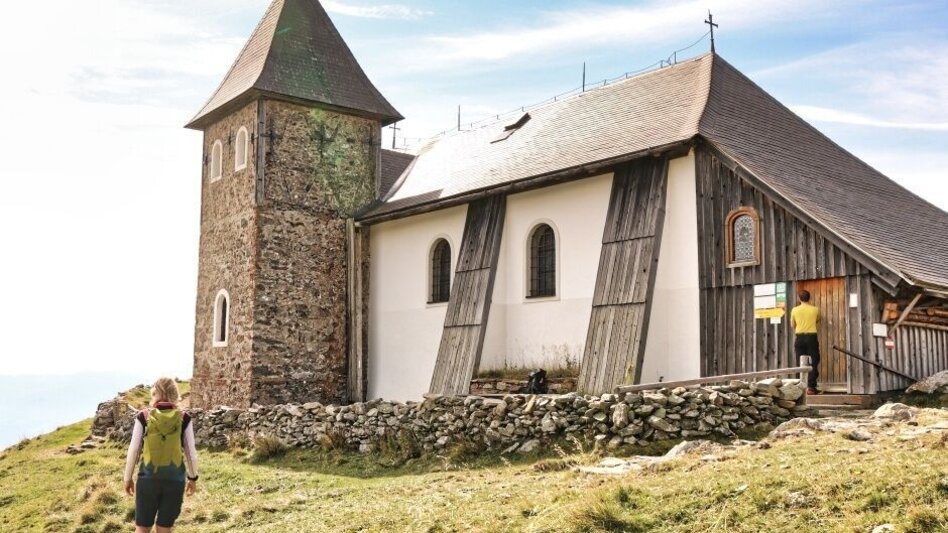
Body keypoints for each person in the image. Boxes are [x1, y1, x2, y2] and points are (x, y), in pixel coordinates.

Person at [124, 378, 199, 533]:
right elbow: (191, 453)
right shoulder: (183, 418)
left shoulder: (144, 416)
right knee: (164, 529)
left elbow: (134, 450)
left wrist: (128, 477)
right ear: (175, 393)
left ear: (154, 393)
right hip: (175, 481)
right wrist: (192, 478)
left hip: (147, 480)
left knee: (142, 529)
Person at [790, 290, 821, 395]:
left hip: (799, 337)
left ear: (799, 298)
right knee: (814, 360)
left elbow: (792, 325)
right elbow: (818, 320)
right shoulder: (815, 309)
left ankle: (801, 386)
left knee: (800, 361)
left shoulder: (794, 310)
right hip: (811, 337)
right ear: (809, 298)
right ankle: (811, 387)